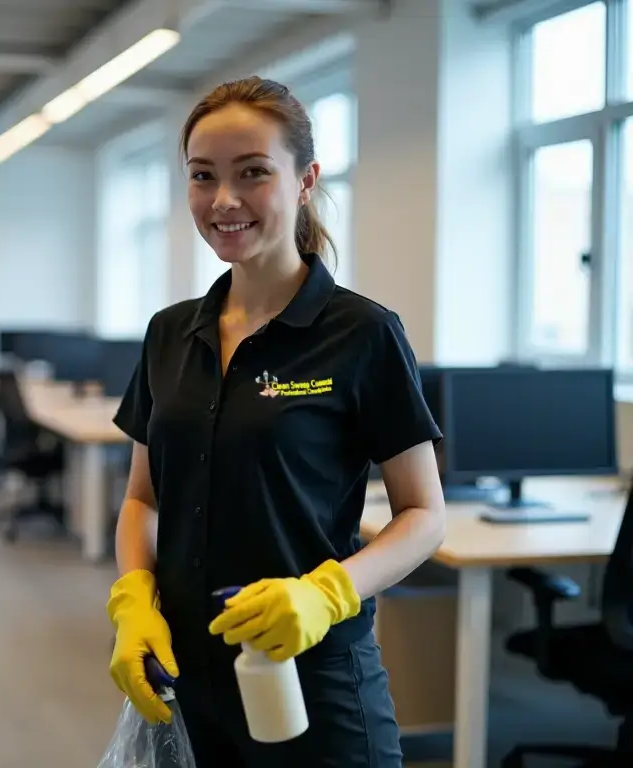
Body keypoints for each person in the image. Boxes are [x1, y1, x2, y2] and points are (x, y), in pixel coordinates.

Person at [105, 76, 447, 768]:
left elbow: (424, 514)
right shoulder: (169, 334)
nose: (223, 200)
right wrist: (134, 598)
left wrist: (327, 593)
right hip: (187, 675)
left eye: (253, 173)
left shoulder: (362, 333)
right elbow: (144, 497)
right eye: (203, 177)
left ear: (305, 180)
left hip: (311, 678)